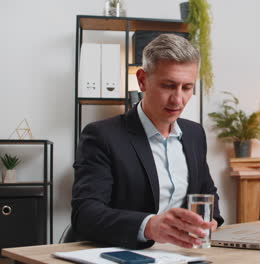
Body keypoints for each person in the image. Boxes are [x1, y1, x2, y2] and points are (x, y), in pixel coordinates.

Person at [71, 34, 223, 249]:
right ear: (142, 80)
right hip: (122, 252)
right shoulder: (101, 136)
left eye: (187, 87)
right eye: (168, 86)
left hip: (182, 253)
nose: (178, 100)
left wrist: (210, 220)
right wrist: (149, 226)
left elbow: (206, 192)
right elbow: (85, 214)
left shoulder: (194, 133)